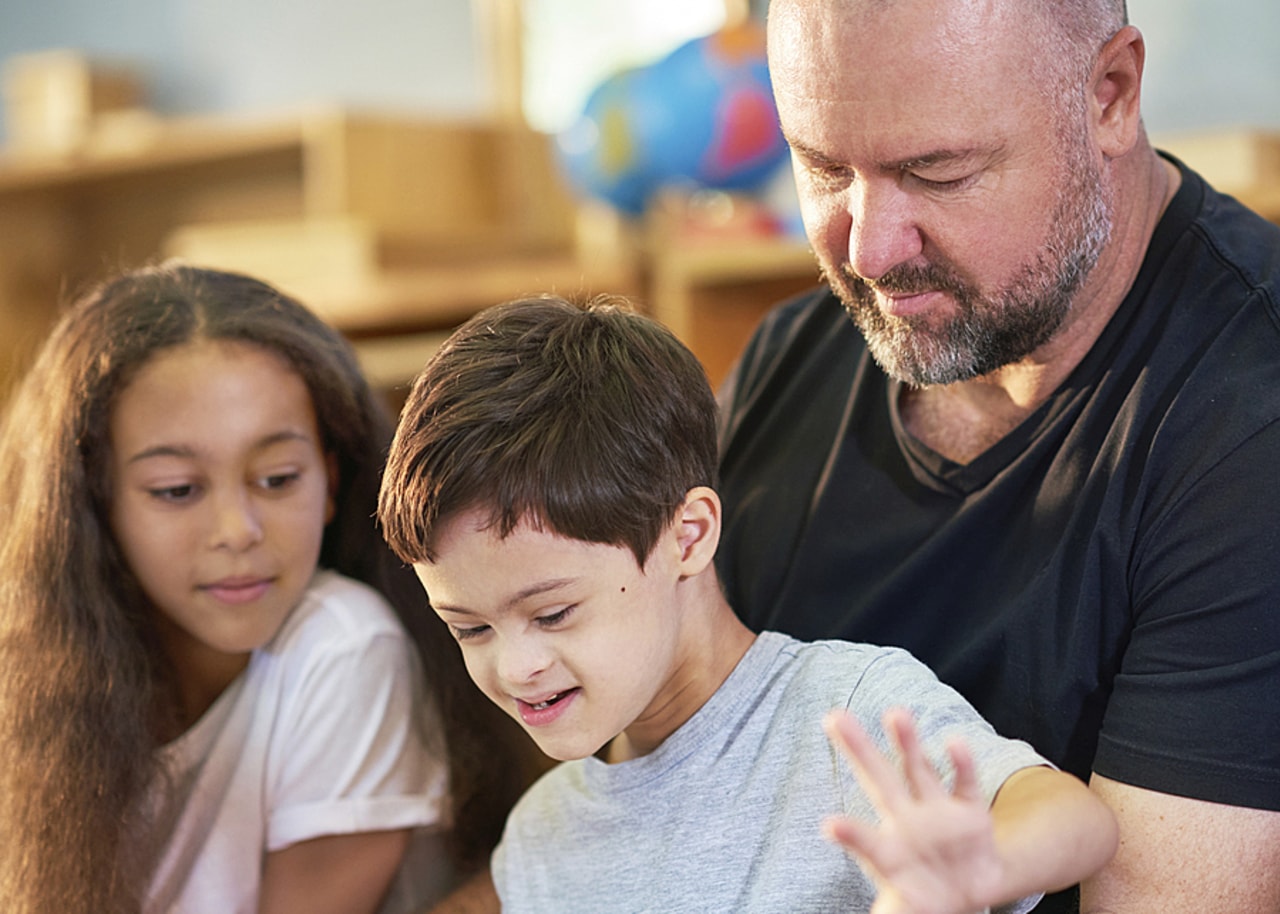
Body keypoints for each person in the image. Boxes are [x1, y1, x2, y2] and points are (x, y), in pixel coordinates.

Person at [713, 0, 1280, 911]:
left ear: (1110, 94)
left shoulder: (1248, 427)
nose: (868, 248)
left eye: (936, 172)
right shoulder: (788, 358)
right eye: (821, 167)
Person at [377, 294, 1118, 914]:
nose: (516, 666)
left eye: (552, 614)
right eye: (469, 628)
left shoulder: (843, 718)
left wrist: (978, 867)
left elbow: (1074, 821)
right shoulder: (541, 843)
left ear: (689, 536)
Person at [0, 263, 539, 914]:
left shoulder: (342, 647)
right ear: (92, 504)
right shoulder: (36, 674)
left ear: (332, 479)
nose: (237, 531)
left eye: (279, 479)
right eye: (177, 490)